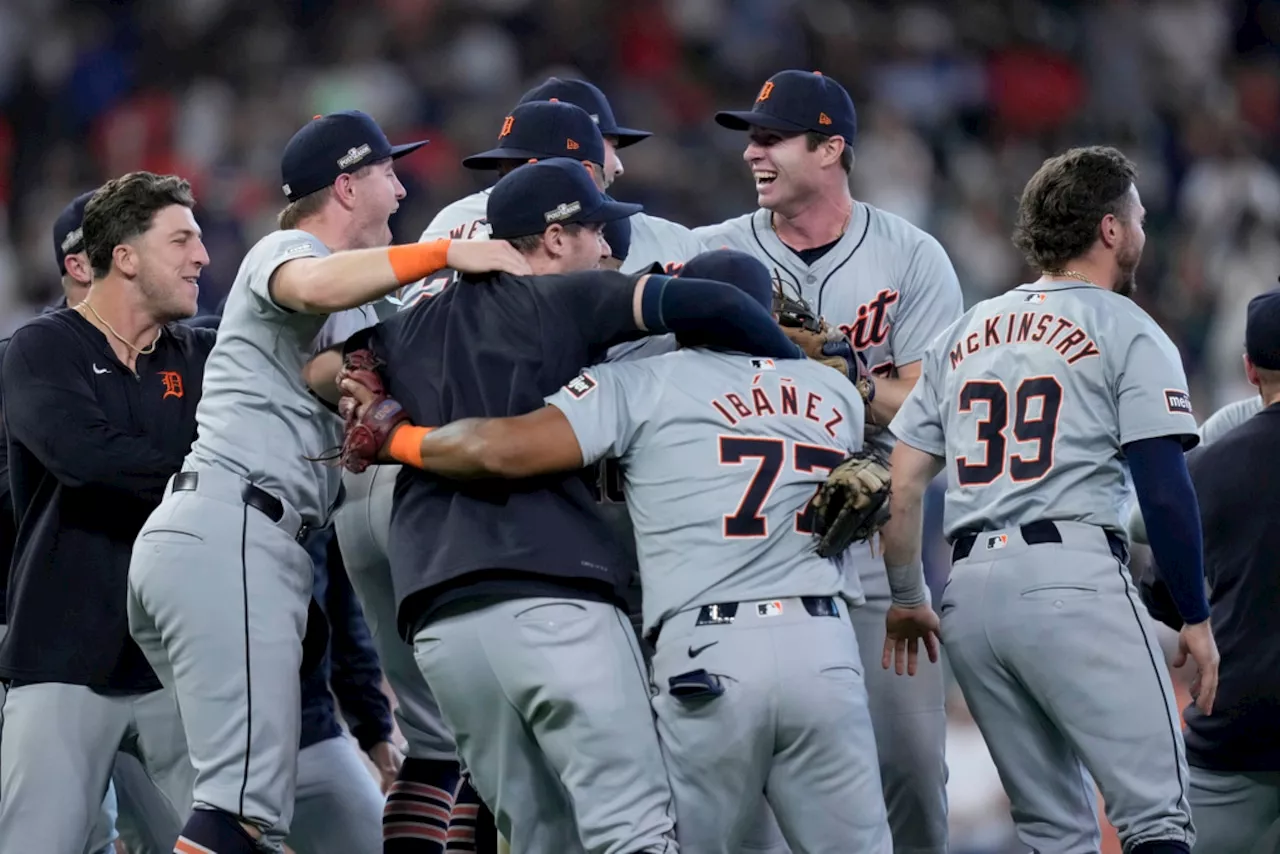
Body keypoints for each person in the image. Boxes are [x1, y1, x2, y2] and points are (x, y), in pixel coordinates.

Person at [324, 157, 804, 854]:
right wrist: (797, 375)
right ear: (552, 239)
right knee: (633, 829)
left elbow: (325, 365)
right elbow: (720, 304)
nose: (608, 248)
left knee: (536, 837)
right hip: (551, 595)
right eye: (595, 232)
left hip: (440, 620)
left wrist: (349, 380)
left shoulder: (405, 332)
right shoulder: (565, 298)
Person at [124, 109, 528, 854]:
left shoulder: (366, 306)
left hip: (225, 538)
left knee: (249, 822)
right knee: (238, 815)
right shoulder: (289, 247)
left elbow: (336, 360)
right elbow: (310, 285)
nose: (402, 188)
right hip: (235, 529)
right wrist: (443, 253)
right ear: (345, 185)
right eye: (386, 173)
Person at [878, 145, 1218, 854]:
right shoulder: (1128, 326)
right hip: (1072, 578)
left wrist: (910, 595)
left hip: (970, 598)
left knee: (1052, 831)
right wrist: (1194, 613)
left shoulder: (964, 331)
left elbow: (903, 485)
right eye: (1139, 219)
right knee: (1157, 816)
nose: (1144, 233)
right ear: (1111, 229)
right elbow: (1162, 487)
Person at [691, 68, 962, 853]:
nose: (753, 154)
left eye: (772, 138)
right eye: (751, 137)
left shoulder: (910, 255)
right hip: (757, 541)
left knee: (912, 775)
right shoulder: (717, 254)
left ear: (831, 147)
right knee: (754, 797)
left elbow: (929, 412)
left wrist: (835, 373)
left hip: (877, 540)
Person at [0, 172, 213, 854]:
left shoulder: (201, 355)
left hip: (173, 664)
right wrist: (205, 478)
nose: (202, 257)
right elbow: (84, 458)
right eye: (181, 239)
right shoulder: (40, 349)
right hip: (63, 657)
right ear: (125, 257)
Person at [1138, 291, 1280, 854]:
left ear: (1248, 369)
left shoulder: (1205, 465)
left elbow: (1160, 582)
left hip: (1236, 725)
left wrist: (1198, 617)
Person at [289, 527, 400, 854]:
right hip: (200, 748)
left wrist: (377, 736)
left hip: (306, 731)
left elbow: (346, 623)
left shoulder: (324, 499)